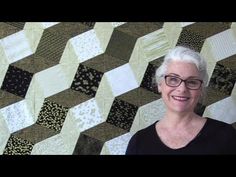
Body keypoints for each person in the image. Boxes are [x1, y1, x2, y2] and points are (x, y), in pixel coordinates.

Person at [126, 46, 236, 154]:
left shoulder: (226, 136)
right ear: (160, 85)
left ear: (201, 89)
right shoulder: (139, 142)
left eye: (192, 82)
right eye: (173, 79)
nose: (182, 89)